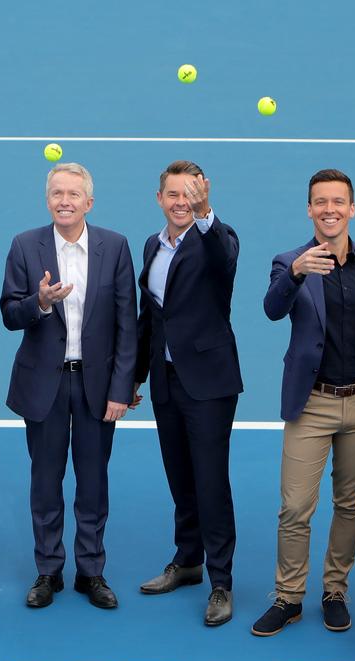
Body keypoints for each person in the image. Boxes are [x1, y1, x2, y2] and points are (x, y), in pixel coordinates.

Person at [253, 168, 355, 637]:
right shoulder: (289, 261)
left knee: (350, 502)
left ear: (352, 209)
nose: (330, 209)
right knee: (295, 507)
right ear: (310, 209)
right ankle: (288, 597)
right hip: (311, 404)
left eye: (338, 201)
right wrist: (295, 275)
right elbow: (272, 309)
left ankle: (334, 589)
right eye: (321, 202)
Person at [0, 162, 136, 610]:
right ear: (48, 199)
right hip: (45, 385)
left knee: (93, 483)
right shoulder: (25, 245)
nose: (64, 201)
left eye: (73, 194)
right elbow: (9, 314)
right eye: (57, 193)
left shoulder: (115, 247)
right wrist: (38, 302)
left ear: (88, 202)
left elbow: (126, 325)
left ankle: (91, 571)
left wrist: (121, 388)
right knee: (46, 481)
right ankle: (48, 571)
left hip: (97, 386)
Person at [133, 160, 242, 626]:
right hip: (166, 378)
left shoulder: (218, 238)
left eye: (189, 195)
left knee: (210, 480)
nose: (181, 203)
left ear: (201, 197)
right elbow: (150, 316)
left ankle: (221, 581)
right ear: (159, 199)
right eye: (173, 195)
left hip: (209, 383)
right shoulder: (151, 247)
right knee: (180, 475)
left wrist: (207, 214)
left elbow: (224, 257)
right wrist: (133, 376)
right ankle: (189, 561)